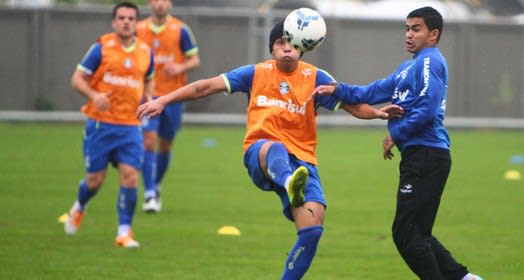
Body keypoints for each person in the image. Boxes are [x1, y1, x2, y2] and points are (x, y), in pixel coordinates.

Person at [137, 20, 402, 279]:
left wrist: (377, 113)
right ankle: (288, 182)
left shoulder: (316, 77)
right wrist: (164, 100)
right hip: (260, 153)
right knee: (274, 147)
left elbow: (351, 104)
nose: (286, 47)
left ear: (302, 47)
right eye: (280, 42)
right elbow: (205, 86)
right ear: (271, 48)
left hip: (303, 162)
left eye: (291, 43)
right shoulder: (255, 73)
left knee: (312, 230)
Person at [313, 6, 483, 280]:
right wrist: (338, 89)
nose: (408, 34)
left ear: (433, 34)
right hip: (420, 157)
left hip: (427, 154)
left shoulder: (430, 62)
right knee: (417, 233)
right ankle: (464, 278)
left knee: (406, 234)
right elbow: (371, 91)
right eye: (407, 28)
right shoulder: (408, 68)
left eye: (416, 29)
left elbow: (428, 108)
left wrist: (396, 133)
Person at [62, 1, 154, 249]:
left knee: (130, 177)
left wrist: (148, 97)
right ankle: (80, 206)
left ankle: (124, 232)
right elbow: (77, 78)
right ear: (114, 22)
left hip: (130, 126)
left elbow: (148, 79)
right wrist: (94, 96)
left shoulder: (146, 51)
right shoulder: (101, 48)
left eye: (131, 18)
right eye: (122, 18)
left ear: (136, 23)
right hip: (101, 125)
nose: (126, 22)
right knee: (95, 181)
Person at [136, 0, 200, 213]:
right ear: (149, 3)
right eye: (156, 0)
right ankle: (150, 193)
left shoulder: (180, 29)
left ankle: (156, 184)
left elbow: (195, 59)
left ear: (170, 3)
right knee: (148, 141)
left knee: (165, 145)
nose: (160, 4)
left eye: (164, 0)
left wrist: (181, 66)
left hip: (172, 98)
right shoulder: (139, 29)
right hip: (148, 96)